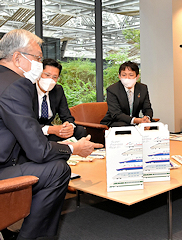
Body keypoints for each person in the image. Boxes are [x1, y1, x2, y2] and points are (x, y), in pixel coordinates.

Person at [0, 29, 103, 240]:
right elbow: (38, 150)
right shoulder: (16, 85)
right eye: (37, 58)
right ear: (18, 57)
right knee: (57, 169)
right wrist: (74, 148)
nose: (40, 64)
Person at [35, 58, 87, 141]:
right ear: (38, 74)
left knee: (80, 131)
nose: (50, 79)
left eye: (54, 77)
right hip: (33, 131)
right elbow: (25, 123)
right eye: (47, 75)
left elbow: (67, 116)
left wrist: (68, 126)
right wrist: (52, 129)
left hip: (51, 132)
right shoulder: (29, 90)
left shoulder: (57, 90)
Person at [101, 61, 153, 127]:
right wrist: (137, 120)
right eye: (124, 75)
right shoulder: (112, 90)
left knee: (156, 125)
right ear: (119, 76)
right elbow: (116, 114)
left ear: (137, 77)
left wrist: (146, 119)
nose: (127, 78)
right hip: (116, 122)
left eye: (131, 75)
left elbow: (147, 108)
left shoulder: (143, 88)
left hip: (136, 122)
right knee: (128, 127)